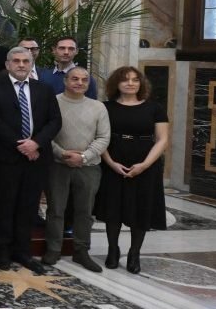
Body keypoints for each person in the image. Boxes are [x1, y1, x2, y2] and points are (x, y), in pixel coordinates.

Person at [0, 46, 62, 274]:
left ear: (31, 64)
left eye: (26, 61)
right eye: (16, 61)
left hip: (36, 158)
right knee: (5, 205)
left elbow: (55, 121)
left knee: (29, 206)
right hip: (6, 157)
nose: (21, 65)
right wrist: (21, 145)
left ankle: (23, 251)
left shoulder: (44, 89)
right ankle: (2, 251)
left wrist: (36, 143)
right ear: (7, 64)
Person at [96, 66, 169, 274]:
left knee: (141, 209)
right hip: (113, 161)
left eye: (135, 79)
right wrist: (110, 162)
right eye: (125, 79)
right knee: (113, 209)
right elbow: (99, 137)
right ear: (116, 83)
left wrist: (144, 165)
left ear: (141, 83)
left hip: (145, 164)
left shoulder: (154, 108)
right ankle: (112, 249)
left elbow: (162, 139)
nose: (130, 83)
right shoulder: (105, 107)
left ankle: (134, 253)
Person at [46, 67, 110, 272]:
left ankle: (81, 251)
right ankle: (53, 249)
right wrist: (62, 153)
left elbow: (103, 137)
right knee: (56, 209)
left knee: (85, 211)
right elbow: (44, 133)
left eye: (84, 80)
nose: (80, 83)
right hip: (57, 165)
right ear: (65, 81)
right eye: (75, 79)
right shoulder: (51, 102)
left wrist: (83, 156)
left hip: (88, 166)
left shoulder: (98, 107)